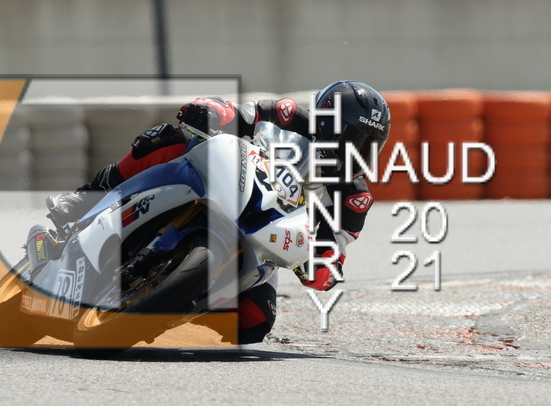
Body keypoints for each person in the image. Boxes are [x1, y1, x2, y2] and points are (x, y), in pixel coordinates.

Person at [46, 81, 391, 344]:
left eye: (369, 146)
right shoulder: (288, 115)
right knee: (167, 138)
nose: (357, 153)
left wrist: (321, 265)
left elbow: (335, 250)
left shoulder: (353, 198)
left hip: (263, 238)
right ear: (328, 121)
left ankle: (170, 305)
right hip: (228, 181)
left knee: (255, 323)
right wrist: (211, 111)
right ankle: (85, 200)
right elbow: (240, 113)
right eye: (353, 138)